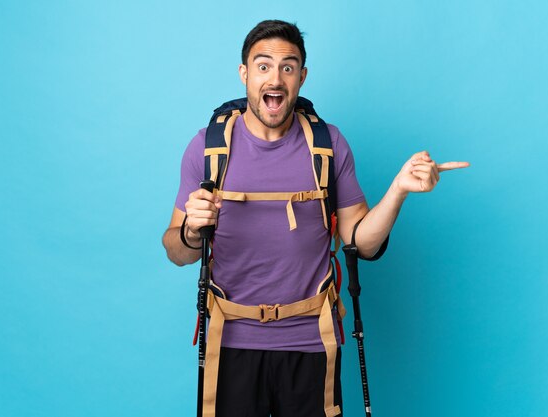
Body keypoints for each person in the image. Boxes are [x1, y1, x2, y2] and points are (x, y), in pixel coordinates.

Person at [162, 19, 469, 417]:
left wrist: (398, 191)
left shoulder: (328, 145)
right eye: (263, 65)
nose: (275, 78)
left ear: (302, 77)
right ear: (244, 74)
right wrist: (189, 229)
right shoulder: (207, 148)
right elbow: (176, 251)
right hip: (229, 341)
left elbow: (361, 242)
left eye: (288, 67)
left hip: (311, 341)